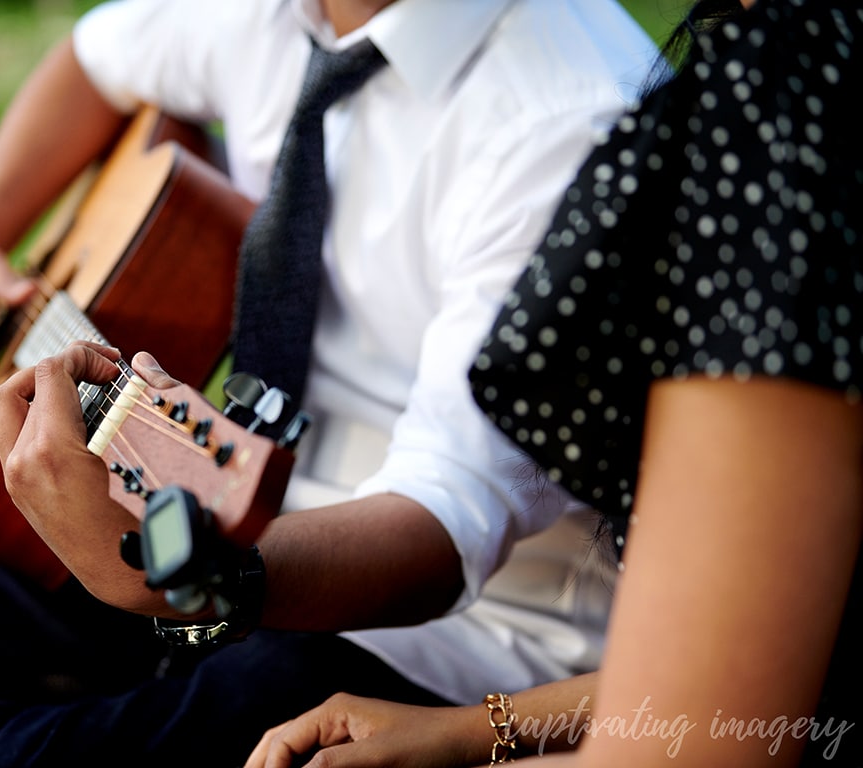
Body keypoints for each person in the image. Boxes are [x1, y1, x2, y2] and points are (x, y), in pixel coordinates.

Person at [0, 1, 659, 766]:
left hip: (450, 640)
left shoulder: (567, 120)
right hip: (212, 529)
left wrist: (200, 585)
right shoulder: (269, 10)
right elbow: (96, 59)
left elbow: (444, 524)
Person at [245, 0, 863, 765]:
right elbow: (773, 642)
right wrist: (477, 732)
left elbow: (710, 739)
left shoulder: (785, 105)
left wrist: (216, 576)